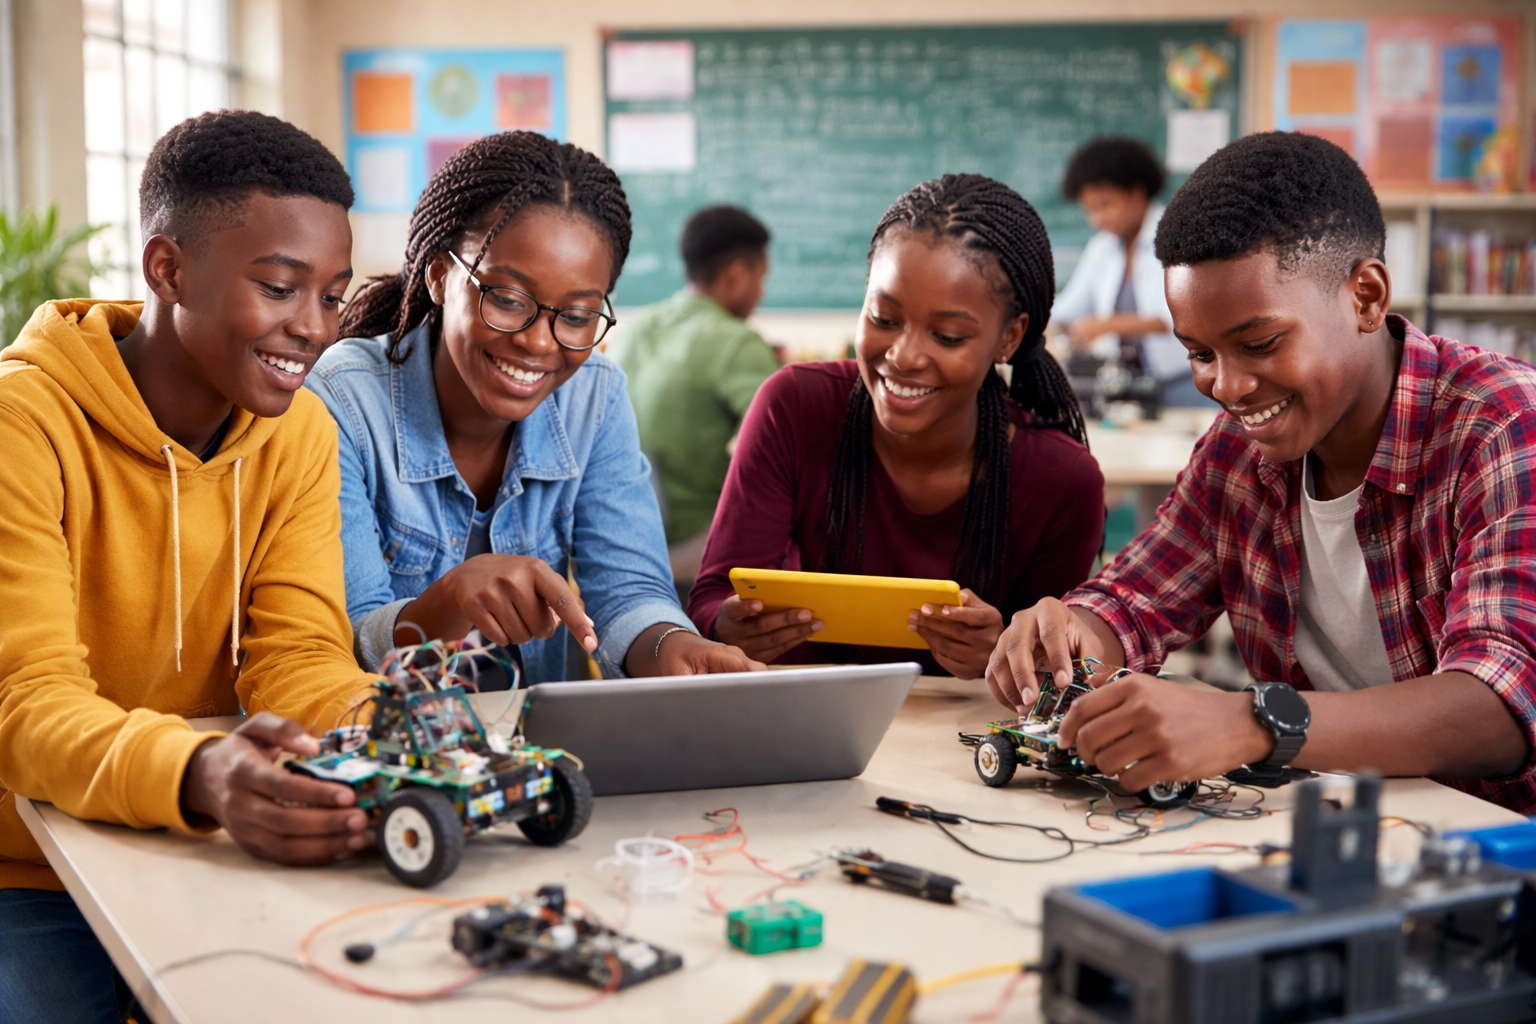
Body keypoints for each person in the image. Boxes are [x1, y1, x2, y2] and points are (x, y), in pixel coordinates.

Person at [987, 132, 1536, 811]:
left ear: (1365, 297)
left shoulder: (1503, 427)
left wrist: (1251, 722)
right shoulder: (1237, 453)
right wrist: (1072, 632)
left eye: (1260, 343)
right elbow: (1135, 599)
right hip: (1331, 826)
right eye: (1199, 354)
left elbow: (1500, 708)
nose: (1227, 386)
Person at [0, 111, 381, 1023]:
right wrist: (202, 772)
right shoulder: (24, 425)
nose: (313, 328)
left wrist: (391, 729)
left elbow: (297, 656)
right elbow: (25, 703)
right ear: (167, 269)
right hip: (28, 863)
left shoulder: (300, 432)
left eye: (332, 295)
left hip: (207, 838)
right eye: (280, 288)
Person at [310, 132, 758, 684]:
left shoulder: (594, 397)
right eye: (506, 298)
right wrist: (445, 602)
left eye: (578, 316)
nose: (538, 342)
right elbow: (341, 644)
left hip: (541, 735)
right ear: (440, 276)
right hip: (393, 733)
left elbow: (629, 591)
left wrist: (671, 645)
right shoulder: (342, 401)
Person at [689, 174, 1105, 679]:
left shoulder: (1063, 480)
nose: (904, 356)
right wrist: (726, 624)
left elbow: (1054, 673)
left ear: (1009, 338)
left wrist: (1006, 655)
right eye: (883, 319)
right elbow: (711, 598)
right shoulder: (793, 407)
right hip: (805, 714)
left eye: (947, 336)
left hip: (966, 729)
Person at [609, 205, 780, 597]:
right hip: (690, 552)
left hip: (619, 541)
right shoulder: (736, 342)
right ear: (737, 274)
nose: (762, 293)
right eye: (761, 278)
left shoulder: (634, 328)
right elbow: (785, 443)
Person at [1051, 135, 1209, 407]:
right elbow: (1068, 308)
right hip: (1127, 387)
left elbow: (1177, 319)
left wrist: (1108, 324)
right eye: (1089, 210)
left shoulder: (1180, 236)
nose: (1097, 219)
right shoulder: (1101, 247)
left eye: (1105, 205)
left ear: (1136, 193)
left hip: (1185, 381)